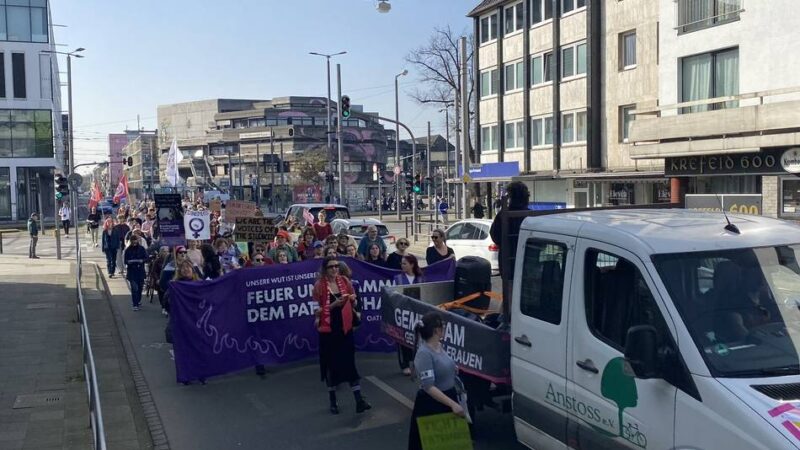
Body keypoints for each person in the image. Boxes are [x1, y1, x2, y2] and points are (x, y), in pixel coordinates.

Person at [312, 257, 371, 415]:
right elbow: (315, 310)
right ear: (325, 269)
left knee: (349, 363)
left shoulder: (344, 281)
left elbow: (355, 301)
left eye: (337, 266)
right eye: (331, 266)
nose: (334, 269)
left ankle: (359, 400)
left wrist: (352, 299)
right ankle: (333, 401)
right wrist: (333, 305)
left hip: (345, 328)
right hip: (329, 330)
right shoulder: (319, 286)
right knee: (332, 365)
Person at [408, 312, 464, 450]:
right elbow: (428, 386)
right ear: (436, 330)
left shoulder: (438, 346)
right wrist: (453, 405)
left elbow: (442, 363)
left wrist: (452, 368)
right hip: (433, 405)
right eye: (443, 326)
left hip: (448, 398)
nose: (444, 329)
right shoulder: (424, 353)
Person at [490, 181, 530, 281]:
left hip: (507, 261)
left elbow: (495, 236)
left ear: (510, 197)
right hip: (528, 260)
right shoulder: (531, 215)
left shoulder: (503, 215)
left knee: (510, 290)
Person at [393, 254, 424, 375]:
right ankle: (404, 364)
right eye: (401, 263)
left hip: (417, 313)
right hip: (403, 313)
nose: (402, 265)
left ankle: (416, 363)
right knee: (402, 338)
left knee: (418, 339)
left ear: (412, 264)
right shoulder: (398, 278)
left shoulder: (421, 278)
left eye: (405, 263)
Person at [123, 235, 148, 311]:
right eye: (133, 240)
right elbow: (125, 261)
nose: (134, 242)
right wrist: (129, 262)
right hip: (132, 271)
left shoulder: (142, 249)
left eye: (135, 240)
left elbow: (146, 258)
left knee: (140, 288)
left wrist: (142, 261)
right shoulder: (128, 250)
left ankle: (138, 300)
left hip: (140, 271)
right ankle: (135, 304)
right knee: (134, 288)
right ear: (131, 241)